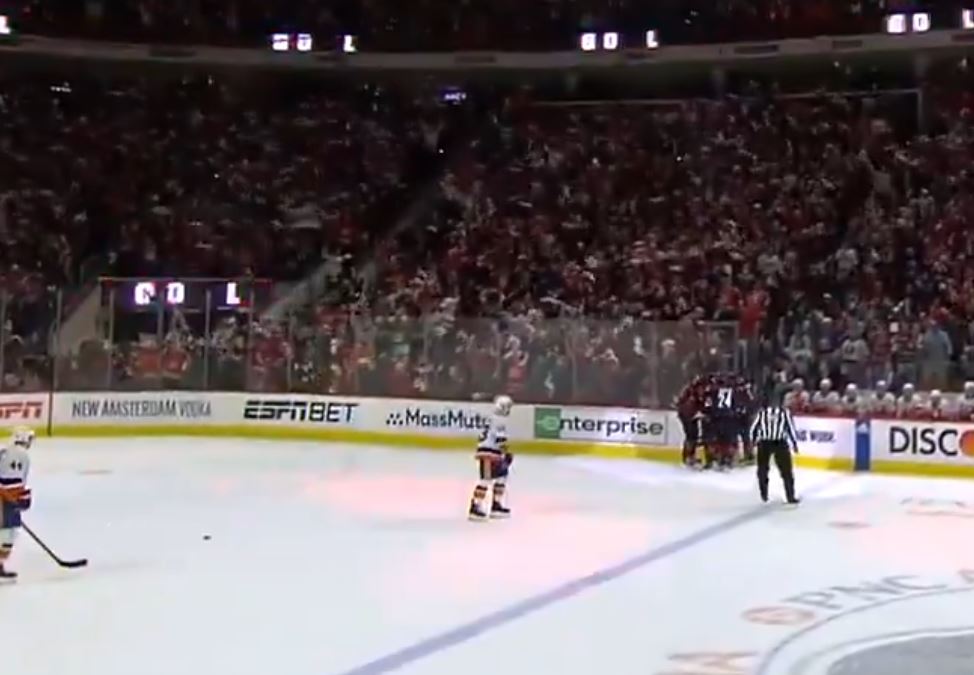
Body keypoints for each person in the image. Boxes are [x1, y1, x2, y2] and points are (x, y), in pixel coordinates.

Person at [468, 395, 514, 521]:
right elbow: (500, 439)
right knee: (486, 480)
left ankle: (496, 505)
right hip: (490, 453)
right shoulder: (499, 420)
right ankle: (475, 506)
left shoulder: (490, 419)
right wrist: (507, 453)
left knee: (501, 478)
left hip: (490, 452)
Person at [749, 398, 801, 505]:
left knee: (783, 471)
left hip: (774, 443)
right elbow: (790, 429)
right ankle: (769, 494)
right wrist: (794, 444)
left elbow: (753, 429)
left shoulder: (766, 413)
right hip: (769, 443)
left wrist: (752, 441)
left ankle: (785, 495)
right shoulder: (776, 413)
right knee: (765, 470)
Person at [0, 427, 34, 580]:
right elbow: (15, 482)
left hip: (6, 498)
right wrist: (21, 499)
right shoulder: (22, 456)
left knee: (7, 533)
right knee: (8, 534)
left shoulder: (4, 450)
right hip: (6, 500)